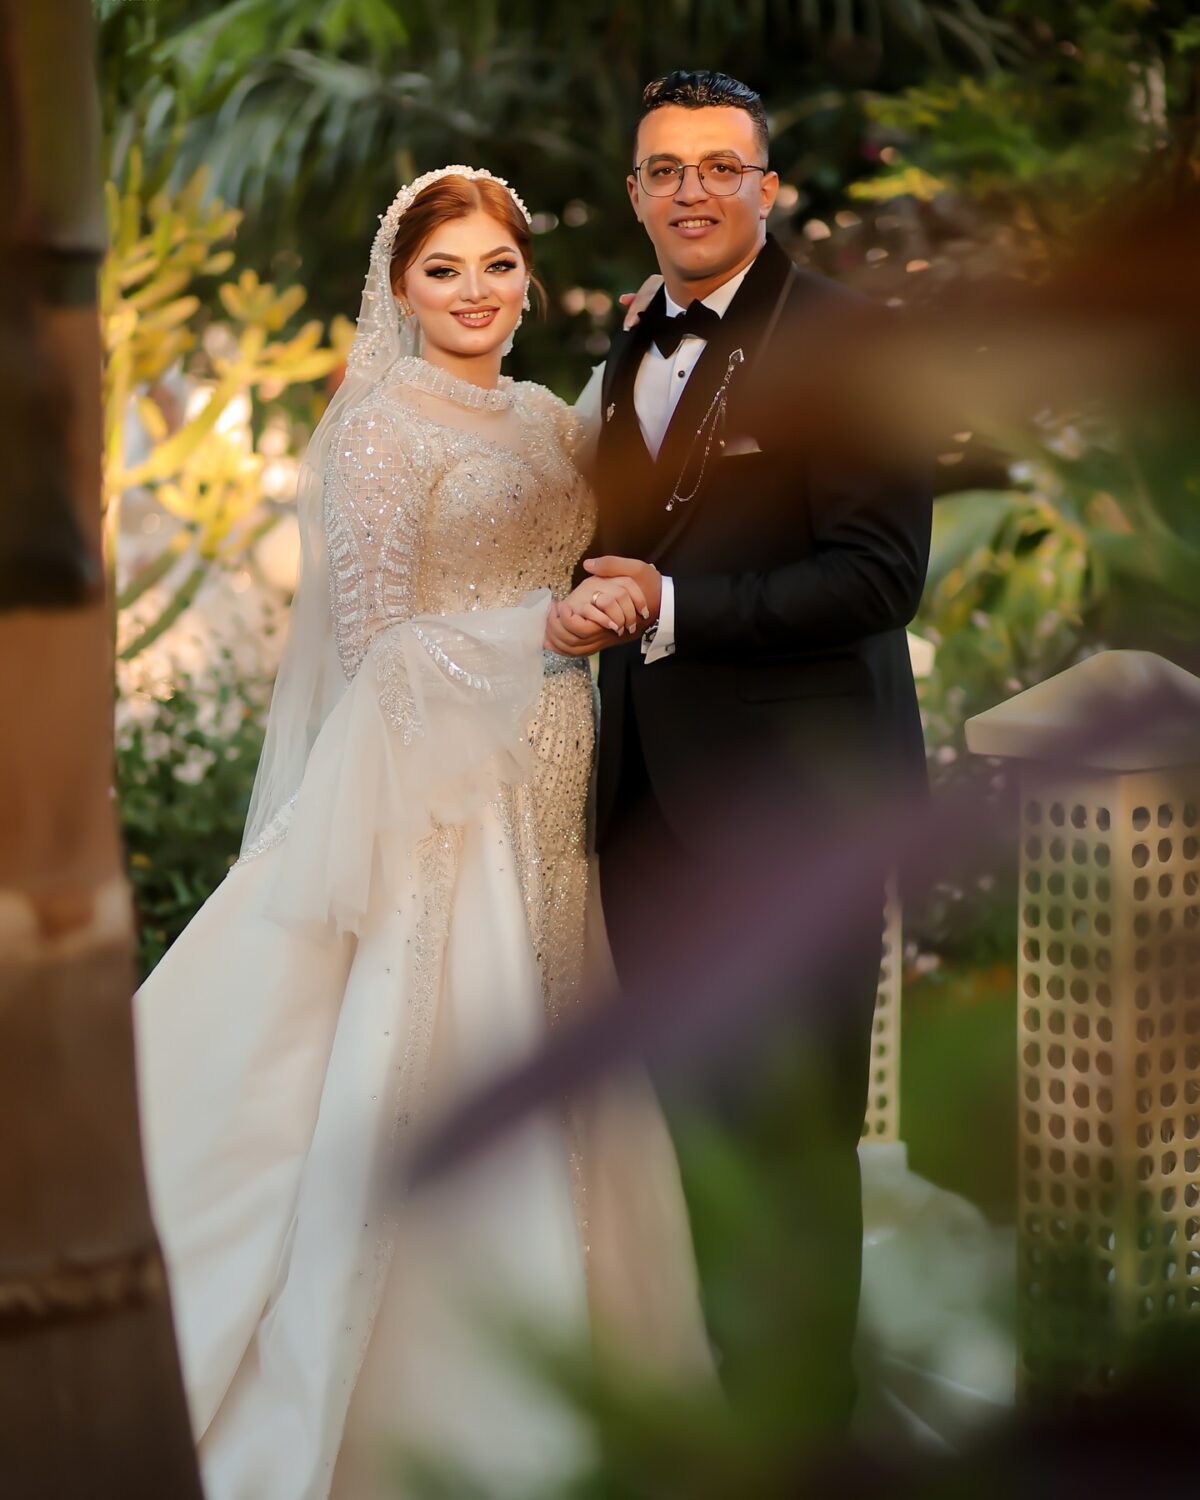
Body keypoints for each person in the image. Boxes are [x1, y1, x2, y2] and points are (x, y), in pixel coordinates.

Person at [133, 166, 709, 1500]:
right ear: (400, 290)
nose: (473, 292)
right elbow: (377, 646)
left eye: (497, 266)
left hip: (561, 783)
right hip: (442, 795)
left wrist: (642, 351)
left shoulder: (545, 421)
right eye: (443, 271)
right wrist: (540, 627)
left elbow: (602, 485)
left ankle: (600, 1368)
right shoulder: (379, 430)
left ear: (527, 280)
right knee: (443, 1049)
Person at [548, 71, 933, 1429]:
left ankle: (809, 1434)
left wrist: (676, 606)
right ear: (636, 192)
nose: (692, 191)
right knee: (694, 1139)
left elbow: (880, 577)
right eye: (666, 169)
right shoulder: (626, 349)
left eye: (721, 166)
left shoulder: (851, 339)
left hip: (800, 815)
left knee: (797, 1140)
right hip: (649, 810)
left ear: (768, 187)